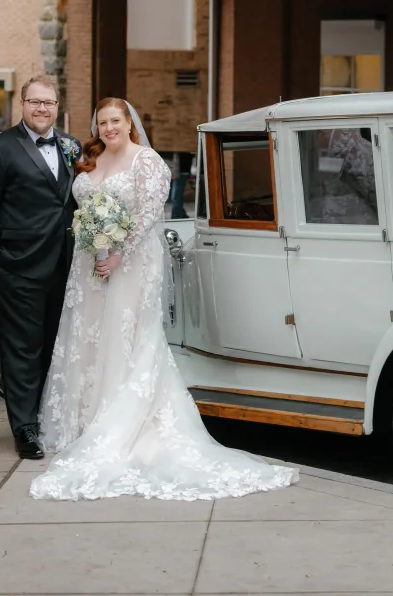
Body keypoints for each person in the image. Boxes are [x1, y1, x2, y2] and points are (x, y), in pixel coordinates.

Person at [29, 97, 297, 501]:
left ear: (129, 123)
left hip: (133, 263)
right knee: (91, 339)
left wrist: (118, 253)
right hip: (89, 265)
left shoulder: (148, 161)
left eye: (115, 121)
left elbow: (149, 214)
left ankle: (126, 425)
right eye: (102, 123)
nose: (108, 129)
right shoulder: (91, 158)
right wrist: (96, 246)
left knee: (129, 338)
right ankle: (85, 421)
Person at [0, 74, 81, 460]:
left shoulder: (71, 145)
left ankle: (49, 417)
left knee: (54, 346)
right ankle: (25, 429)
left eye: (48, 103)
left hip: (64, 267)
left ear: (57, 105)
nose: (41, 109)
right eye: (35, 102)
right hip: (16, 267)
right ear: (22, 103)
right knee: (21, 350)